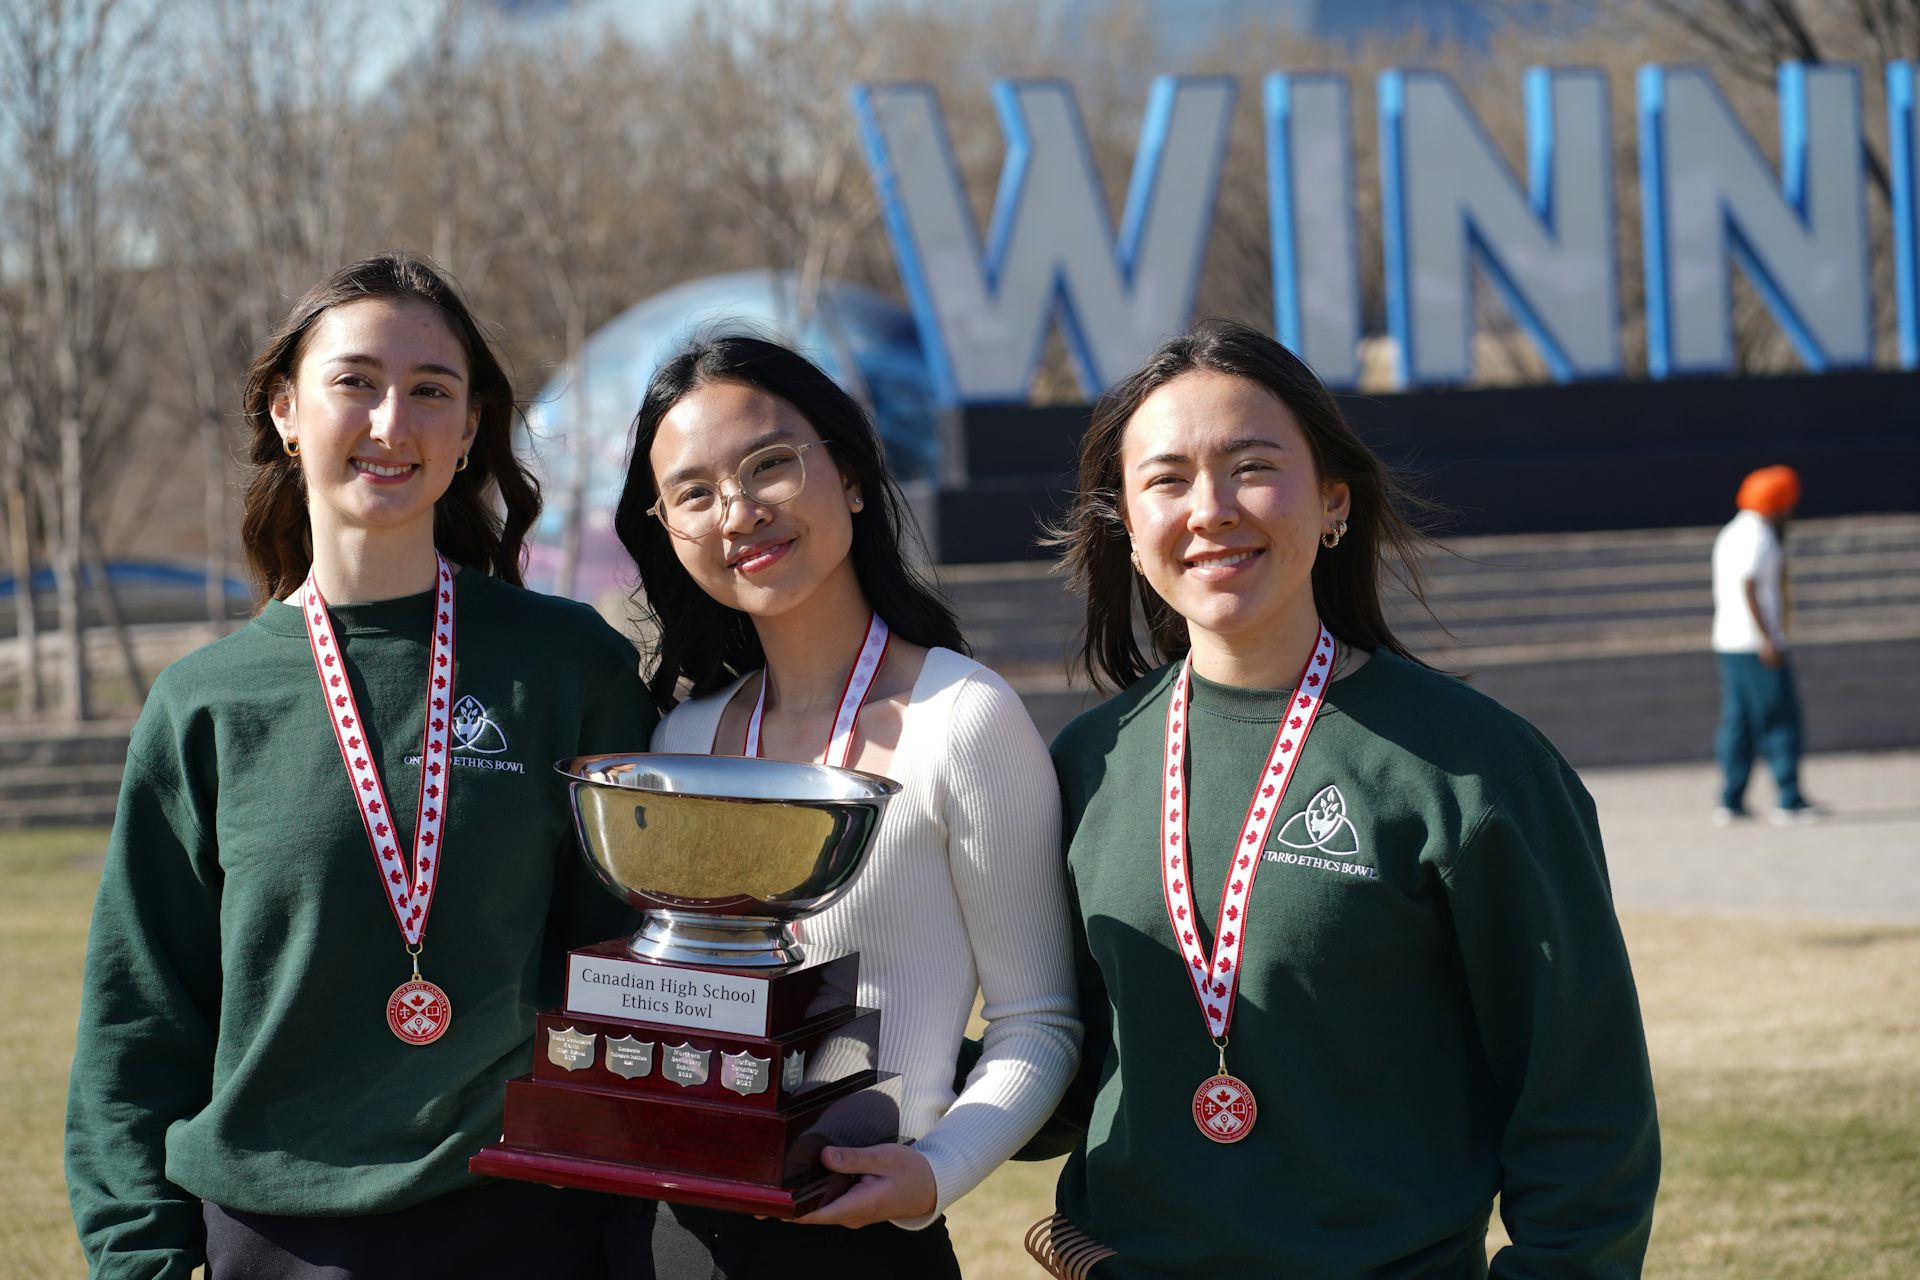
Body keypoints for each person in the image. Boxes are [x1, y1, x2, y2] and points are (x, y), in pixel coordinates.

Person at [65, 252, 658, 1279]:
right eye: (356, 383)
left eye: (432, 390)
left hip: (521, 1223)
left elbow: (622, 972)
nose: (392, 422)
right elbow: (140, 1019)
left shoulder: (566, 666)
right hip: (274, 1233)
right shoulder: (206, 702)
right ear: (286, 410)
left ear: (471, 429)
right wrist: (140, 1260)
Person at [1032, 319, 1659, 1278]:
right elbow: (1073, 1062)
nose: (1210, 510)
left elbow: (1584, 1103)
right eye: (1165, 478)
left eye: (1250, 466)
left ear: (1333, 502)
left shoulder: (1473, 770)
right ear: (1124, 518)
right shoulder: (1088, 761)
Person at [611, 333, 1080, 1278]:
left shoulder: (964, 717)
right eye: (693, 493)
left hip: (866, 1239)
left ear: (853, 477)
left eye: (771, 464)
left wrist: (934, 1172)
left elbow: (1039, 1020)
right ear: (664, 527)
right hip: (680, 1241)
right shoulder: (679, 741)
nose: (738, 510)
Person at [1711, 465, 1816, 826]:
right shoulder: (1758, 534)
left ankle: (1730, 800)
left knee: (1739, 722)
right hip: (1756, 644)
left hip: (1730, 641)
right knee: (1779, 718)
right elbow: (1749, 584)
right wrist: (1768, 638)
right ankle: (1789, 799)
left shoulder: (1733, 531)